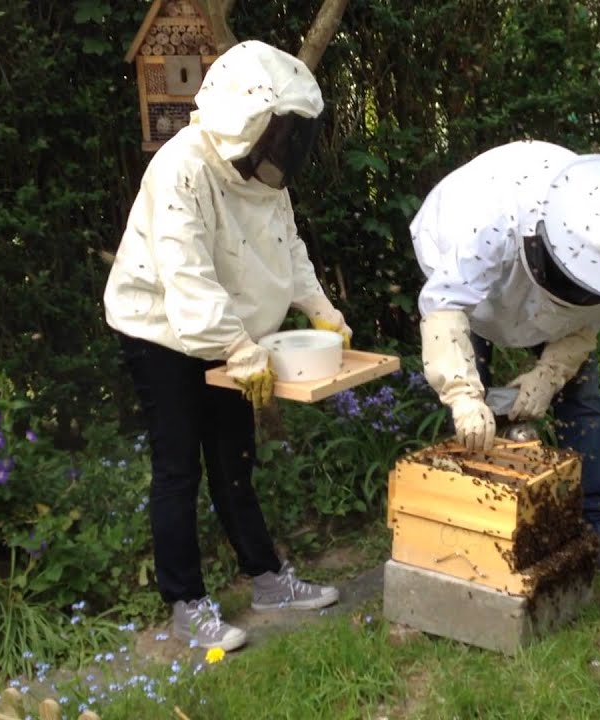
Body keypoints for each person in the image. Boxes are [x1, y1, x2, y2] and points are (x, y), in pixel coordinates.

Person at [103, 40, 349, 651]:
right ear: (247, 122)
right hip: (158, 330)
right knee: (179, 465)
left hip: (231, 333)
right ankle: (187, 602)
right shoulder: (180, 168)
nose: (285, 147)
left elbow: (288, 251)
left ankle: (266, 578)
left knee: (235, 456)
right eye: (278, 132)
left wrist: (321, 310)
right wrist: (238, 351)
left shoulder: (267, 180)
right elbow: (186, 276)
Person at [411, 139, 600, 575]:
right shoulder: (487, 221)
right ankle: (469, 525)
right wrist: (463, 395)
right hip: (472, 288)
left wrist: (550, 375)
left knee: (582, 399)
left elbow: (587, 324)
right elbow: (446, 308)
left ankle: (597, 527)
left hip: (546, 308)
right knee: (470, 411)